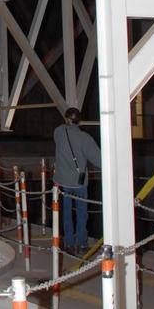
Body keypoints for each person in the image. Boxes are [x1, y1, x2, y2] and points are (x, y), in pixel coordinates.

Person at [53, 107, 101, 254]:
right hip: (79, 183)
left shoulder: (58, 132)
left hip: (62, 182)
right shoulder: (85, 138)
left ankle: (68, 243)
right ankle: (81, 243)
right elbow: (99, 160)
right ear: (79, 121)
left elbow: (61, 130)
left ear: (66, 118)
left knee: (66, 213)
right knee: (82, 213)